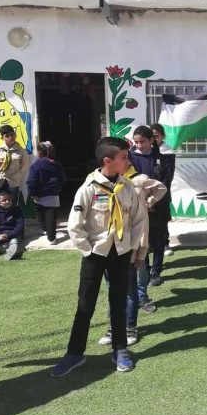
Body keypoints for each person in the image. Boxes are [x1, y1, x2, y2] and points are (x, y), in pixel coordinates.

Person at [51, 137, 146, 377]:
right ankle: (74, 353)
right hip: (96, 253)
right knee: (85, 304)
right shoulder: (89, 188)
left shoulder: (128, 188)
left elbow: (138, 221)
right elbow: (75, 225)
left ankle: (120, 349)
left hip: (121, 253)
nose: (128, 161)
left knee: (119, 302)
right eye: (124, 157)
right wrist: (88, 250)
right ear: (108, 161)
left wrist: (134, 248)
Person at [98, 164, 167, 346]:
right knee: (113, 290)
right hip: (108, 246)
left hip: (130, 245)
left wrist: (149, 202)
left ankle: (130, 326)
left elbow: (160, 189)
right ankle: (114, 328)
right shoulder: (101, 184)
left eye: (125, 158)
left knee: (132, 286)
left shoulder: (137, 181)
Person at [129, 126, 170, 287]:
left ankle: (156, 272)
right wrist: (141, 204)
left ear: (152, 140)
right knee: (141, 241)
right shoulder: (129, 158)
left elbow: (165, 182)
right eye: (136, 142)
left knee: (158, 241)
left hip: (157, 207)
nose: (139, 145)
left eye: (143, 141)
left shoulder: (161, 158)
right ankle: (144, 270)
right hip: (137, 208)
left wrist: (152, 201)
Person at [26, 141, 66, 244]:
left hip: (39, 194)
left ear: (39, 152)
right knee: (51, 216)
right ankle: (51, 238)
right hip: (53, 194)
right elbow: (62, 178)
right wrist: (58, 188)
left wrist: (33, 193)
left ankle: (45, 230)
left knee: (39, 211)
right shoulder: (57, 164)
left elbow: (31, 181)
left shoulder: (36, 165)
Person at [150, 124, 176, 257]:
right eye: (151, 136)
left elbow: (168, 175)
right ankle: (149, 244)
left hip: (162, 192)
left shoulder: (167, 152)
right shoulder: (145, 151)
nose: (154, 139)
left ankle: (165, 243)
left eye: (156, 136)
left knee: (162, 218)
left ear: (163, 136)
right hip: (146, 193)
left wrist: (159, 191)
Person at [0, 124, 30, 206]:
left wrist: (18, 176)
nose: (10, 137)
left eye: (12, 134)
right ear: (2, 138)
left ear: (15, 135)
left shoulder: (21, 151)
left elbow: (25, 166)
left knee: (12, 203)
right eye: (7, 136)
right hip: (0, 180)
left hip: (13, 181)